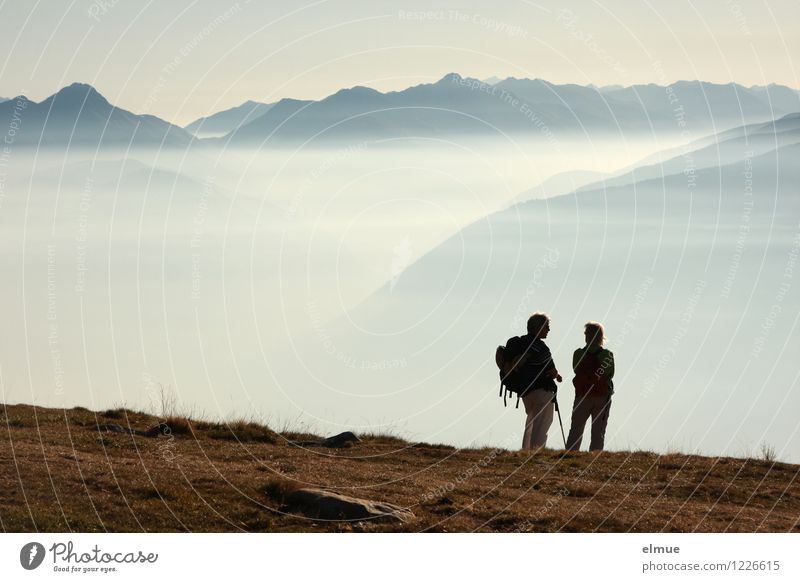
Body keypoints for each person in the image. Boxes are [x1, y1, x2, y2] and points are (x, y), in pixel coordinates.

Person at [506, 312, 562, 450]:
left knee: (530, 424)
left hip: (525, 392)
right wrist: (557, 375)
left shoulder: (521, 343)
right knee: (542, 426)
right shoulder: (540, 347)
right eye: (546, 326)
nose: (548, 330)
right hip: (542, 392)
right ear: (539, 327)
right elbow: (552, 370)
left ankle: (526, 452)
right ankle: (536, 453)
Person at [566, 321, 615, 451]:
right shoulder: (607, 355)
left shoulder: (578, 353)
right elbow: (610, 374)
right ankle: (595, 456)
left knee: (576, 428)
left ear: (586, 335)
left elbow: (576, 370)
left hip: (582, 394)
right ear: (601, 336)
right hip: (602, 395)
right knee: (598, 430)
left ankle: (570, 454)